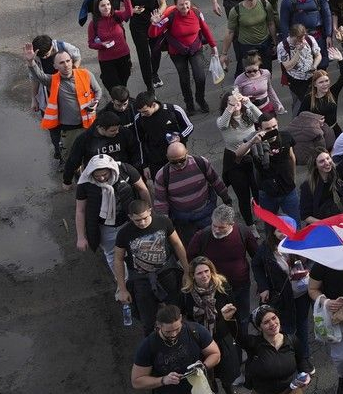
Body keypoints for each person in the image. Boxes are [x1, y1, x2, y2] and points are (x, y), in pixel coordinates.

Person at [130, 304, 226, 394]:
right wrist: (163, 380)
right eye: (168, 331)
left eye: (177, 329)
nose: (174, 334)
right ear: (158, 325)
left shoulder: (194, 330)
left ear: (181, 320)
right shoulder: (148, 346)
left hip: (199, 391)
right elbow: (137, 380)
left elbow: (215, 354)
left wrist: (204, 365)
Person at [75, 153, 149, 326]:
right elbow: (80, 210)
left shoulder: (124, 170)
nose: (101, 178)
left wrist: (148, 210)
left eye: (105, 174)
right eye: (97, 175)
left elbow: (142, 189)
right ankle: (122, 283)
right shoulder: (85, 184)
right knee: (112, 255)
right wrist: (81, 236)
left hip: (127, 221)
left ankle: (140, 278)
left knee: (137, 249)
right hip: (104, 227)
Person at [114, 198, 191, 335]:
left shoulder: (163, 222)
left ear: (150, 211)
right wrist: (122, 289)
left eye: (145, 218)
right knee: (147, 320)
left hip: (167, 274)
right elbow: (118, 259)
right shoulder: (124, 233)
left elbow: (177, 244)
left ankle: (183, 337)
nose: (142, 222)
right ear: (130, 217)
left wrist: (187, 271)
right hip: (141, 280)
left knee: (177, 311)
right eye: (137, 220)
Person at [182, 255, 245, 394]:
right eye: (199, 273)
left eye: (206, 271)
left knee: (227, 369)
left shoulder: (222, 286)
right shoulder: (187, 294)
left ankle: (229, 389)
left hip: (223, 334)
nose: (204, 276)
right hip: (202, 340)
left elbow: (235, 309)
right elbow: (187, 319)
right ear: (192, 276)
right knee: (208, 373)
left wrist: (227, 317)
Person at [152, 140, 234, 246]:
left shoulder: (201, 163)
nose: (179, 165)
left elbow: (215, 181)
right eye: (174, 162)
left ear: (187, 152)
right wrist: (165, 224)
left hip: (207, 214)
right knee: (193, 247)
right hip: (184, 221)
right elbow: (161, 202)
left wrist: (226, 198)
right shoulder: (162, 176)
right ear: (167, 158)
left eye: (182, 160)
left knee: (215, 243)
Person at [241, 304, 313, 394]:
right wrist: (228, 319)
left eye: (274, 318)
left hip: (291, 393)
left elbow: (301, 360)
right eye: (266, 322)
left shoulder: (291, 339)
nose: (273, 323)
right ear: (259, 328)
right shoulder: (253, 344)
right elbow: (237, 334)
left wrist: (306, 374)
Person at [150, 0, 219, 114]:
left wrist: (214, 46)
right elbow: (153, 34)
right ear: (176, 5)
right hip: (177, 53)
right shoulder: (169, 16)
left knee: (200, 77)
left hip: (195, 49)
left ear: (190, 3)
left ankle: (200, 99)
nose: (184, 7)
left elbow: (205, 29)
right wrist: (154, 23)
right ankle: (189, 103)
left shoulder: (197, 13)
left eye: (186, 3)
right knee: (184, 79)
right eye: (181, 4)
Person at [35, 42, 102, 162]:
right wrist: (30, 63)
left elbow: (98, 91)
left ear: (72, 61)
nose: (66, 65)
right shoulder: (52, 80)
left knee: (92, 155)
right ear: (55, 66)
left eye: (68, 61)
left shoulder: (86, 74)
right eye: (61, 62)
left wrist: (96, 102)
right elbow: (39, 75)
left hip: (88, 124)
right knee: (71, 158)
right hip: (69, 128)